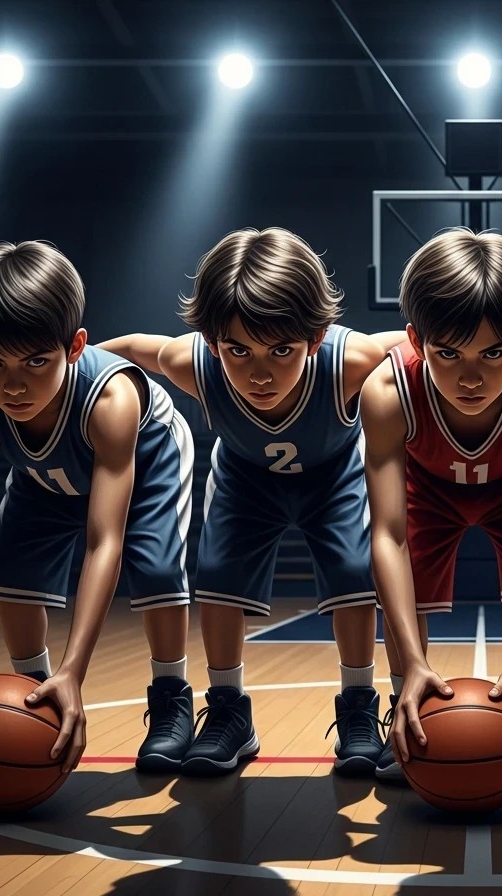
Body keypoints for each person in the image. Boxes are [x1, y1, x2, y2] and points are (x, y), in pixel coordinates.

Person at [102, 227, 403, 775]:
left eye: (281, 350)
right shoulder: (193, 364)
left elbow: (415, 345)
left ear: (315, 339)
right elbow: (130, 350)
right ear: (215, 342)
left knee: (354, 570)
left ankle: (360, 708)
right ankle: (227, 712)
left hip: (333, 477)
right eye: (238, 350)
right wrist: (78, 372)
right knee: (217, 573)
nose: (259, 372)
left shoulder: (351, 360)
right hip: (246, 478)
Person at [0, 240, 194, 774]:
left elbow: (104, 541)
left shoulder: (112, 400)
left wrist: (76, 669)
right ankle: (34, 695)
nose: (13, 385)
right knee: (12, 576)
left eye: (36, 361)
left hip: (148, 450)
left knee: (157, 568)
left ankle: (171, 698)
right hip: (44, 475)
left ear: (74, 347)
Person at [361, 228, 502, 782]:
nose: (470, 377)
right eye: (447, 353)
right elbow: (386, 535)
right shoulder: (387, 392)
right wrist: (415, 663)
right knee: (404, 563)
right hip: (429, 487)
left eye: (493, 353)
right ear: (416, 341)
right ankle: (404, 704)